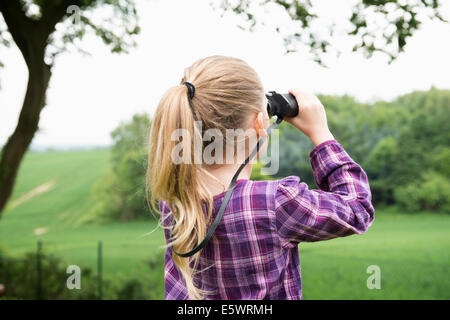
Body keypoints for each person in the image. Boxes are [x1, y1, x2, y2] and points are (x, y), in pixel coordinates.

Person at [146, 55, 375, 300]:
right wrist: (321, 133)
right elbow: (358, 209)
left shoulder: (174, 200)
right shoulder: (275, 202)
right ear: (259, 123)